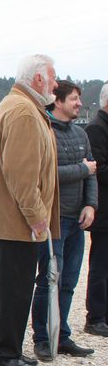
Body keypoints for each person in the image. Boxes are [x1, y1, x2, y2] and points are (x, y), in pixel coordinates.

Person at [0, 54, 60, 366]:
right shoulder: (24, 111)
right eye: (53, 77)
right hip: (19, 221)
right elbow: (22, 175)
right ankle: (4, 353)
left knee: (10, 287)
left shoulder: (13, 104)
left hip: (9, 218)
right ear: (38, 79)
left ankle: (3, 346)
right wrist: (36, 216)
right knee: (16, 289)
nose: (56, 84)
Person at [28, 81, 96, 360]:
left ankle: (62, 335)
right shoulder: (44, 132)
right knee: (48, 280)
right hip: (53, 220)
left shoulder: (81, 133)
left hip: (76, 220)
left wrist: (90, 204)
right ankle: (42, 338)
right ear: (57, 101)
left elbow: (92, 172)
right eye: (74, 99)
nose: (79, 103)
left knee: (68, 282)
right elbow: (46, 174)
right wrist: (82, 169)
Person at [84, 82, 108, 337]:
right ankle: (96, 317)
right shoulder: (96, 128)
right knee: (100, 266)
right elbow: (97, 169)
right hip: (103, 210)